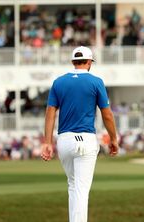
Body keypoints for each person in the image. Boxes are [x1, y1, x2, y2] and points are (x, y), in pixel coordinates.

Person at [41, 46, 118, 222]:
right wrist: (113, 138)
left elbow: (50, 112)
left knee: (73, 186)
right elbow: (107, 114)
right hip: (86, 139)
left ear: (73, 62)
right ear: (89, 62)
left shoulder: (59, 82)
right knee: (81, 190)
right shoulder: (96, 82)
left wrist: (47, 142)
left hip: (64, 140)